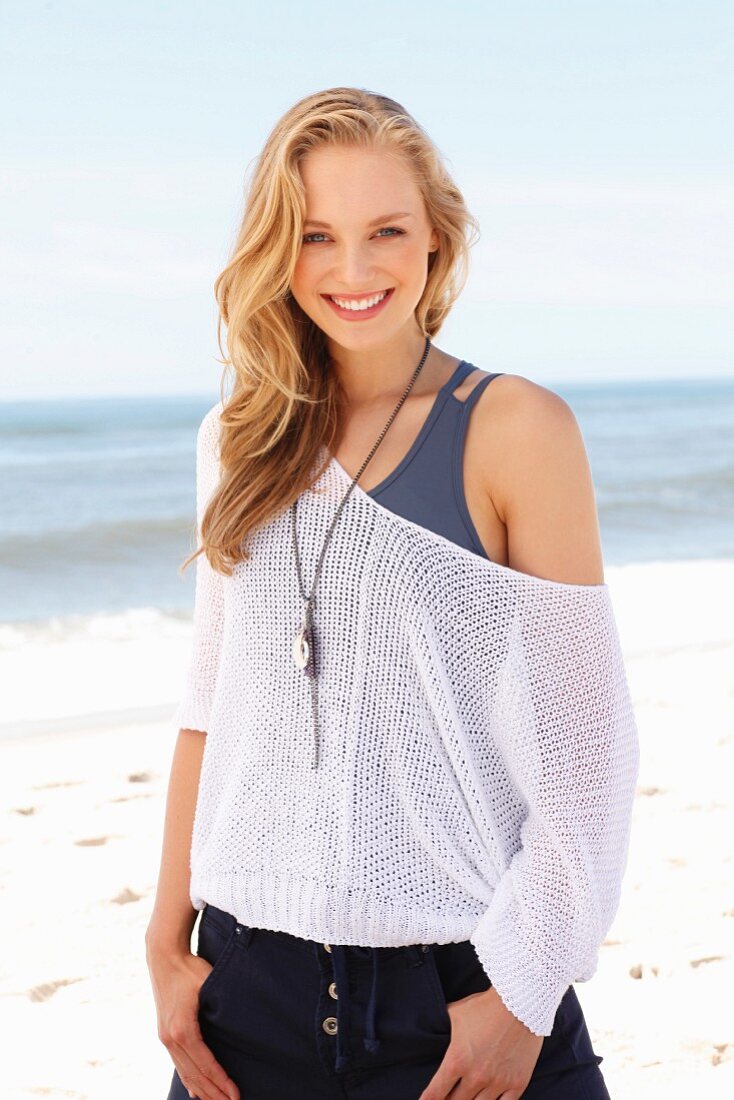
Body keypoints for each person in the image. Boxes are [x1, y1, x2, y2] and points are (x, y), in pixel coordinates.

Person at [145, 87, 639, 1100]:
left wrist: (521, 988)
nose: (354, 268)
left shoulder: (511, 426)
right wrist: (163, 939)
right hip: (246, 990)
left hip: (459, 989)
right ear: (275, 249)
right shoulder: (234, 438)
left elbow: (588, 746)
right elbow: (208, 709)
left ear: (436, 240)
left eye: (386, 231)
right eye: (316, 235)